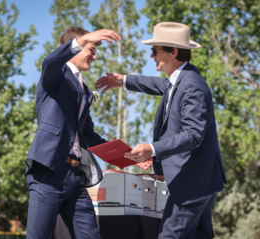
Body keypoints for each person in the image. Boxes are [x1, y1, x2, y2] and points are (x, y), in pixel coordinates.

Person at [96, 22, 227, 238]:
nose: (151, 56)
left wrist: (152, 148)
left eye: (154, 51)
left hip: (192, 183)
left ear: (173, 52)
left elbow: (193, 135)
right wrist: (124, 81)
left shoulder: (190, 84)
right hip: (201, 181)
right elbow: (158, 85)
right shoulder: (180, 80)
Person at [25, 27, 120, 239]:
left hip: (75, 177)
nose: (94, 57)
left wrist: (125, 157)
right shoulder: (54, 74)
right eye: (91, 49)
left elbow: (90, 136)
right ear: (75, 46)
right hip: (47, 172)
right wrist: (84, 39)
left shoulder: (84, 91)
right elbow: (50, 61)